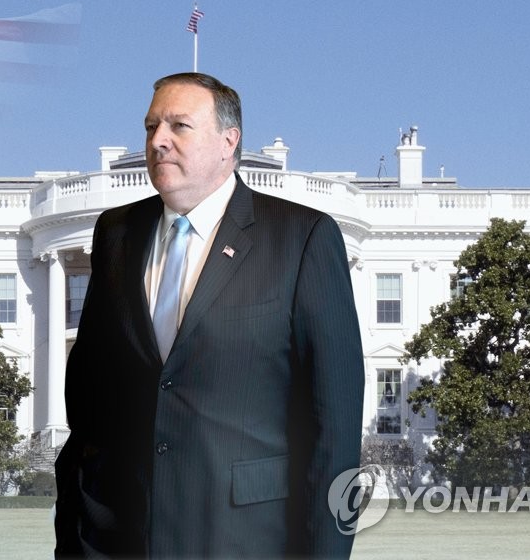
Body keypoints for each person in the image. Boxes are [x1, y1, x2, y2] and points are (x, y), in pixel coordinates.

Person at [54, 72, 364, 558]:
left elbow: (334, 428)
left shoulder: (302, 238)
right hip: (118, 539)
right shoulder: (115, 233)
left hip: (243, 538)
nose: (158, 141)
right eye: (151, 126)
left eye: (179, 125)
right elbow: (87, 402)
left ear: (228, 141)